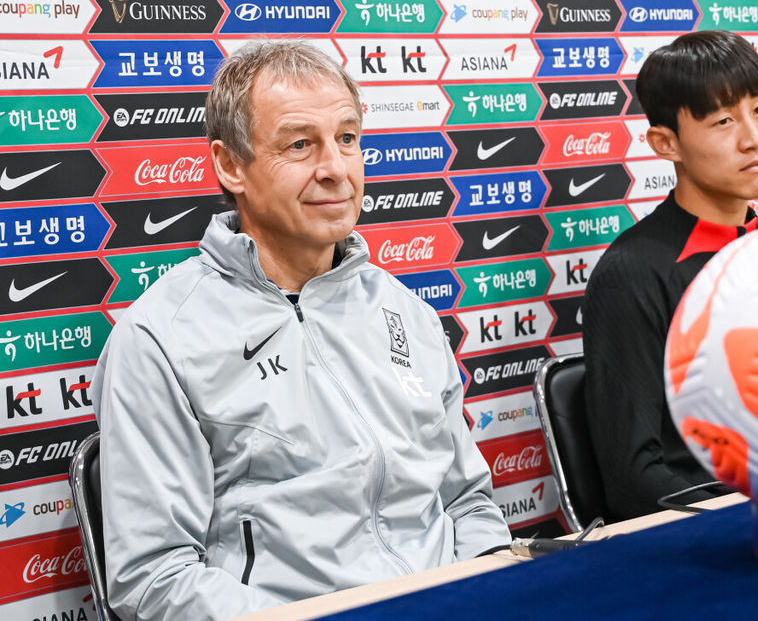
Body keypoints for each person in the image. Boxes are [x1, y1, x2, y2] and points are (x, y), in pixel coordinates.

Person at [93, 40, 511, 621]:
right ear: (230, 165)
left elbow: (466, 502)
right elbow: (155, 579)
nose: (336, 170)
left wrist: (498, 585)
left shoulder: (405, 312)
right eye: (300, 144)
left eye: (347, 139)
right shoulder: (159, 339)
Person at [582, 31, 758, 521]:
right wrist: (756, 515)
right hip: (711, 537)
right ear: (666, 143)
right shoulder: (630, 275)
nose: (753, 138)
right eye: (723, 120)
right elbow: (633, 478)